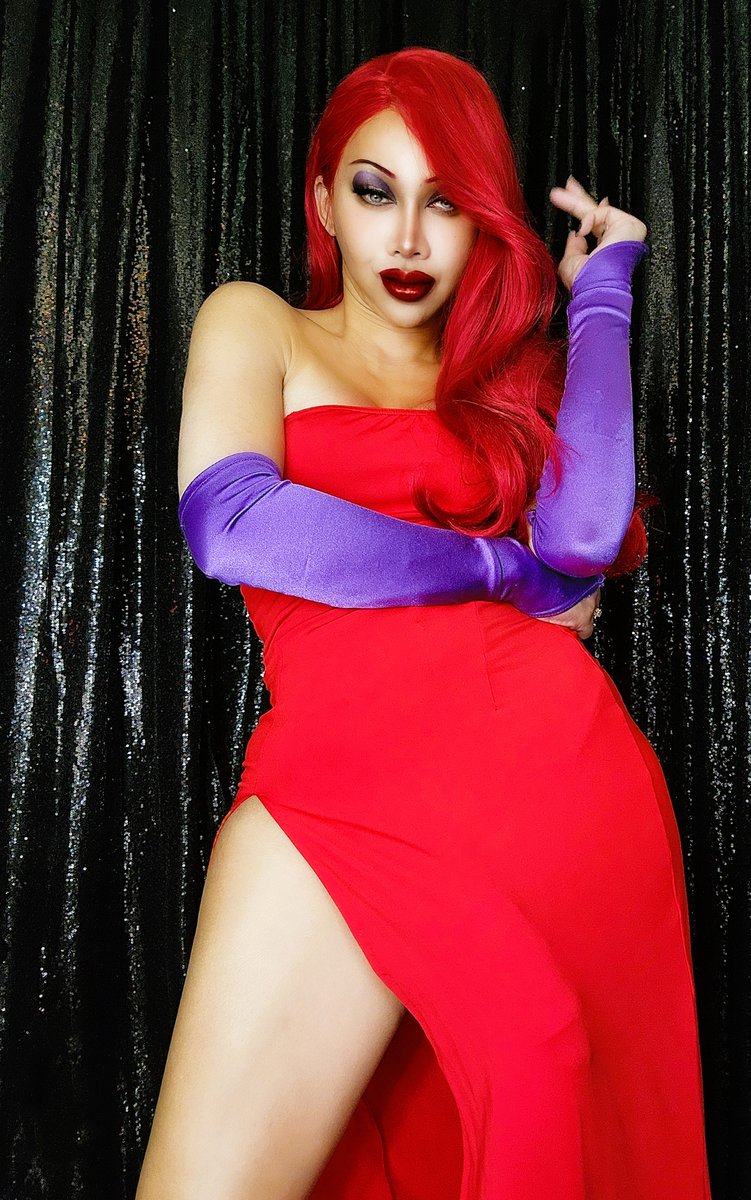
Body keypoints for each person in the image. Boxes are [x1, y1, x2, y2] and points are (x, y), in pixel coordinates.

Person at [136, 46, 712, 1200]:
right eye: (375, 191)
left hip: (557, 793)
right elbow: (234, 523)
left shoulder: (501, 385)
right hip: (345, 786)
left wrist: (604, 288)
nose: (407, 237)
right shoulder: (260, 326)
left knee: (548, 1121)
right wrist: (496, 568)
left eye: (445, 203)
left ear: (482, 221)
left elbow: (584, 540)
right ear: (323, 203)